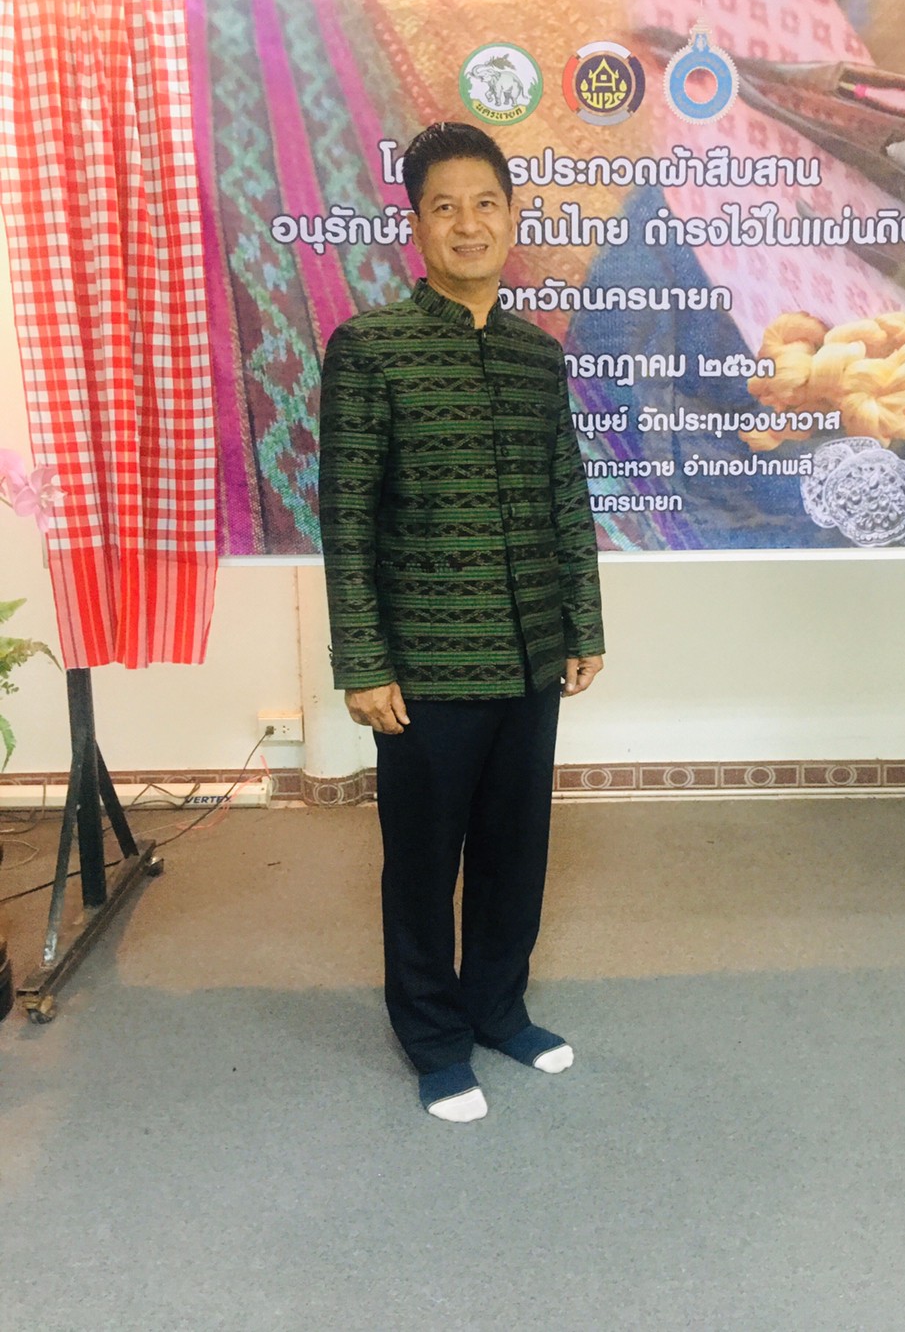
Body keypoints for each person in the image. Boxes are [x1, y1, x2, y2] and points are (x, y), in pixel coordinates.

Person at [317, 121, 605, 1122]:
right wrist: (363, 660)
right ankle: (434, 1038)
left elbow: (565, 493)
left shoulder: (535, 356)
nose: (468, 223)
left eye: (486, 203)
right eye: (445, 206)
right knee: (423, 861)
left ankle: (497, 1006)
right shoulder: (370, 349)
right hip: (426, 667)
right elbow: (347, 516)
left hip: (530, 656)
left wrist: (583, 623)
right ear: (417, 223)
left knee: (515, 850)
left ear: (513, 216)